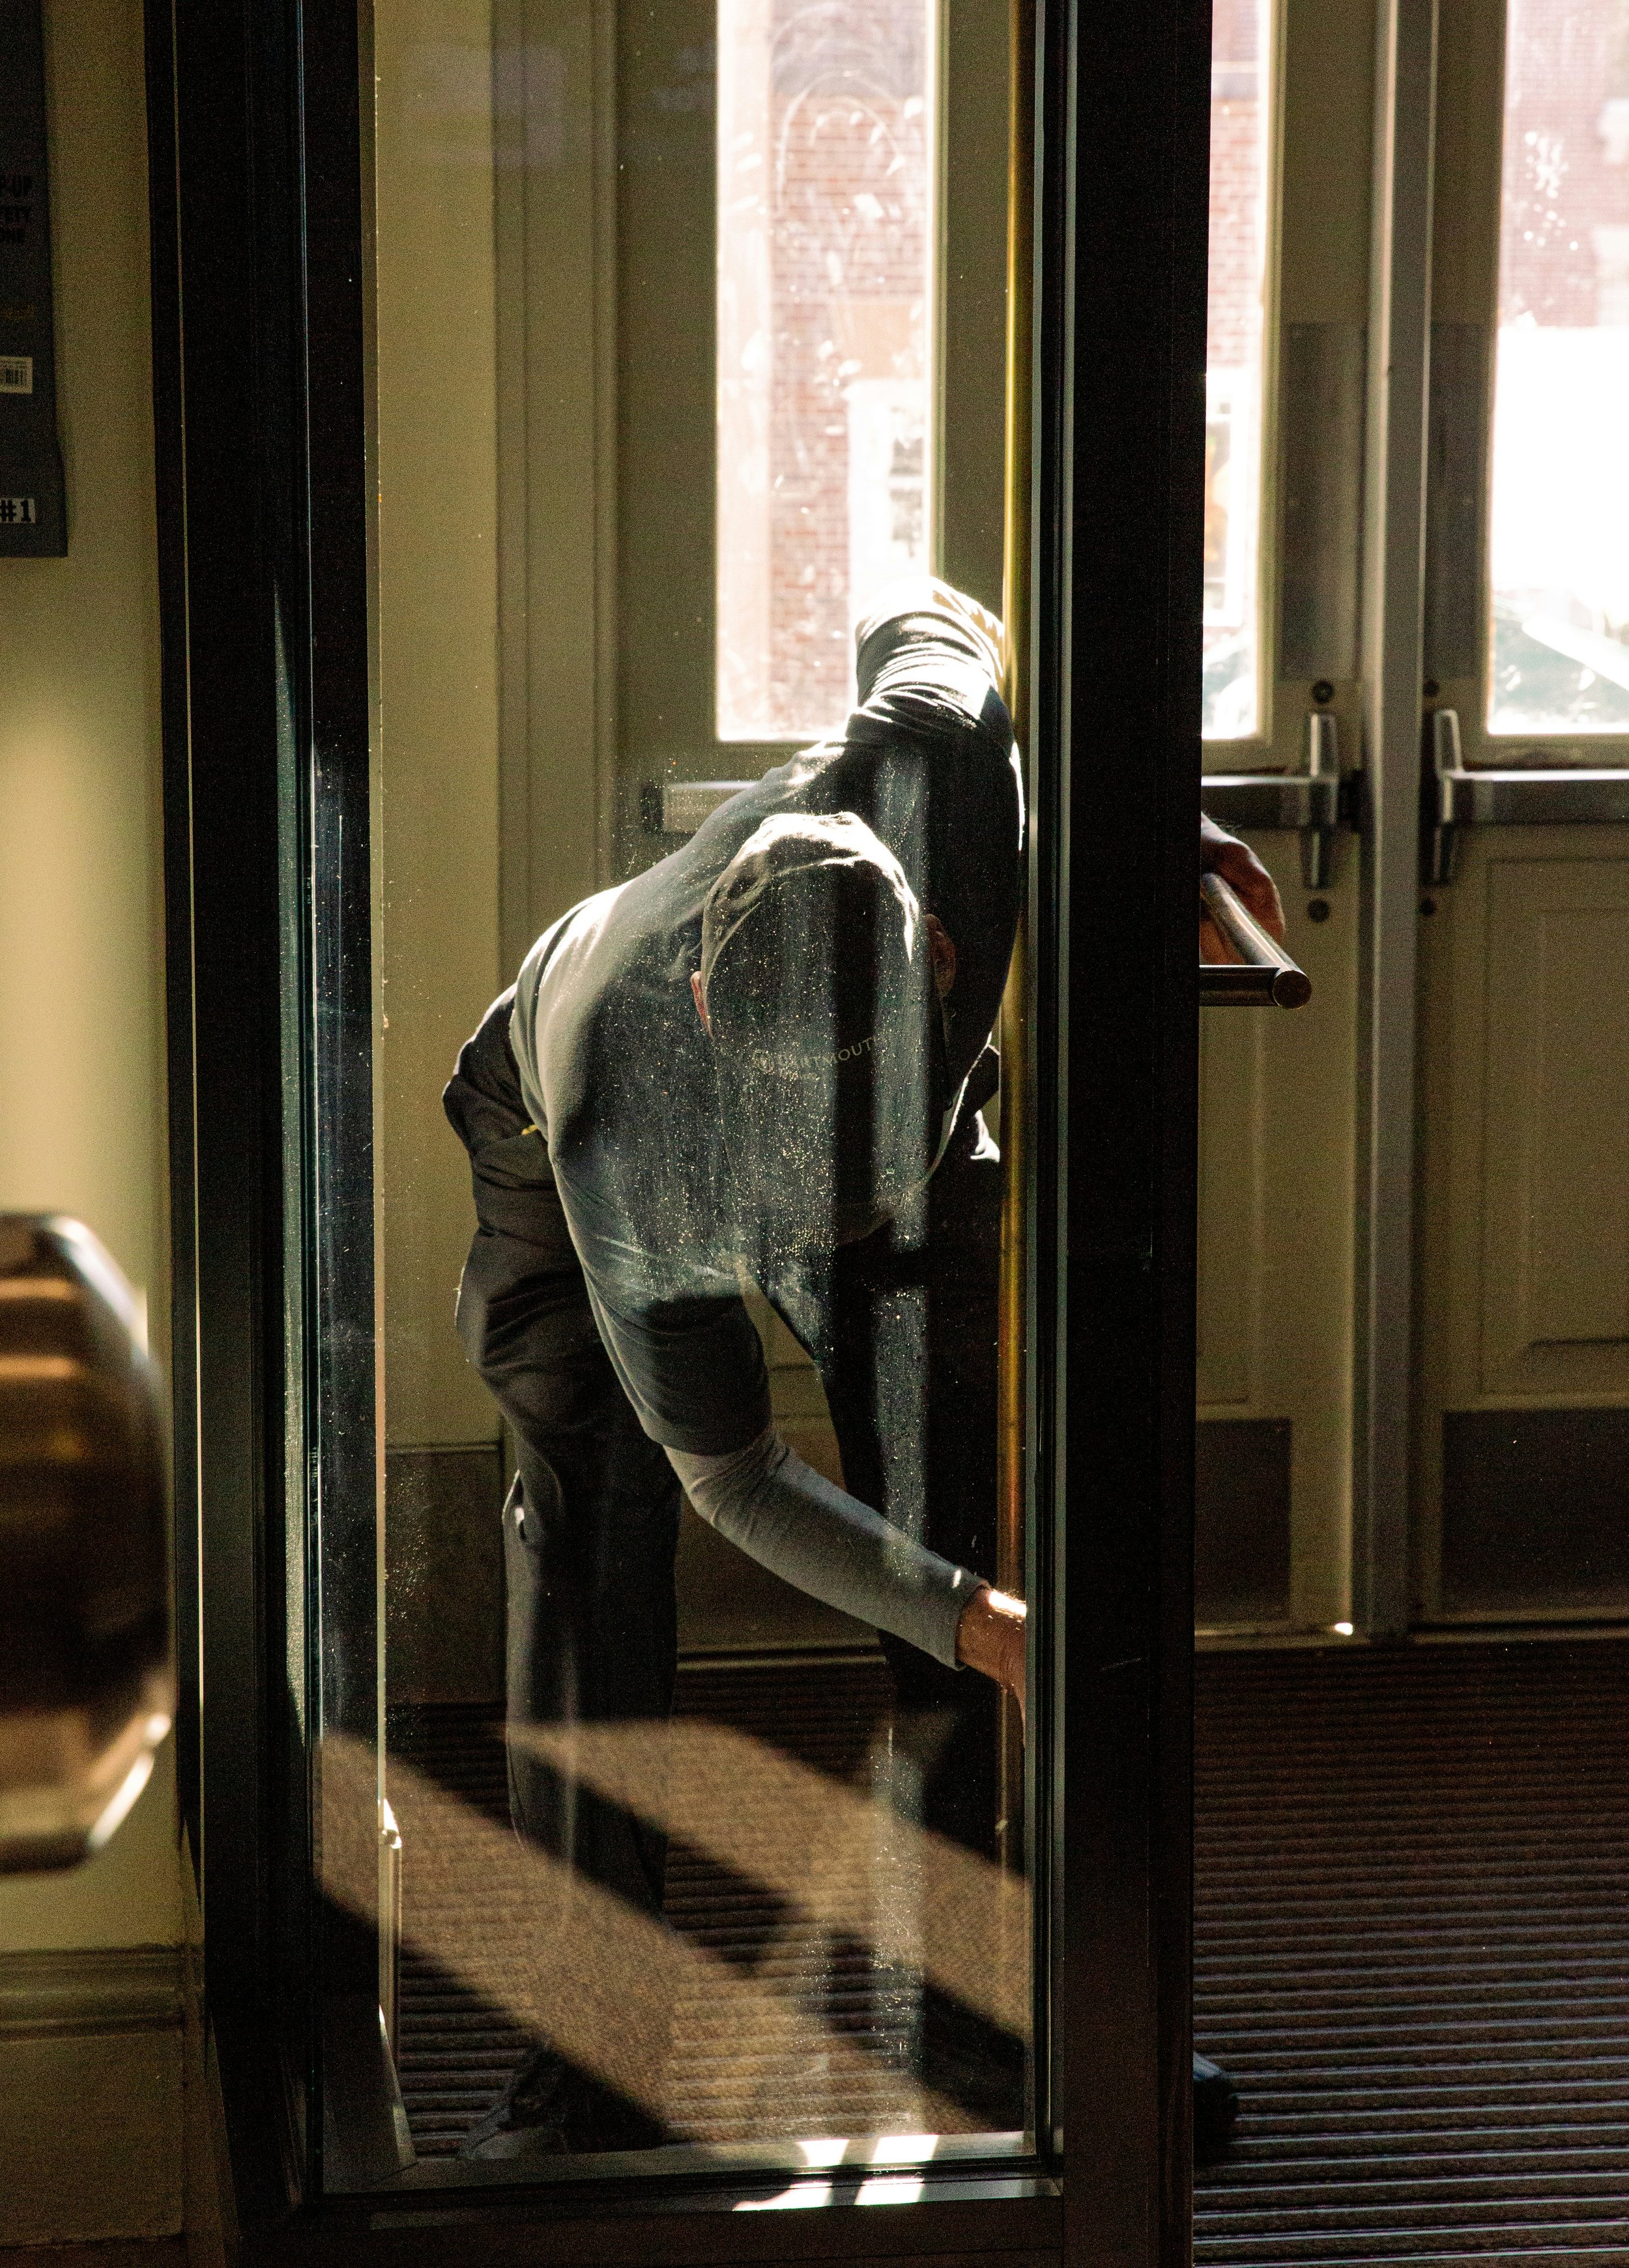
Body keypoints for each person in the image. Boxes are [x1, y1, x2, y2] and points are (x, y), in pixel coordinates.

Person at [442, 578, 1281, 2159]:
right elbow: (737, 1477)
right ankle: (590, 2065)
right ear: (703, 990)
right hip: (547, 1132)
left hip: (901, 1151)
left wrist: (1130, 824)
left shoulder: (936, 761)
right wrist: (985, 1627)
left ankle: (985, 2014)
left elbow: (936, 605)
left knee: (945, 1497)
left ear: (945, 947)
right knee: (596, 1535)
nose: (809, 1176)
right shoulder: (628, 1107)